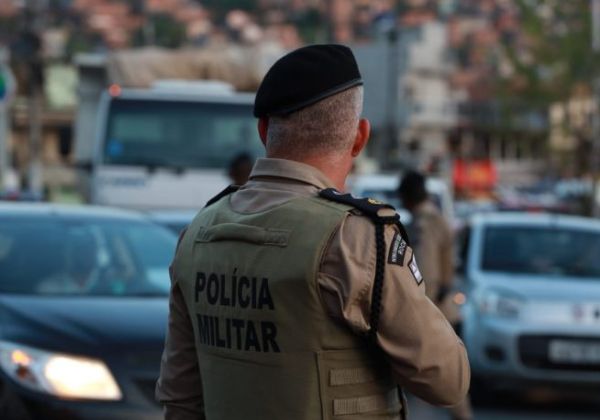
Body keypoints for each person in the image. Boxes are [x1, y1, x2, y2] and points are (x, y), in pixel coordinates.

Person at [156, 44, 470, 420]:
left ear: (263, 130)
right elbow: (447, 380)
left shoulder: (198, 234)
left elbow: (180, 399)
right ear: (359, 137)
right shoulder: (356, 239)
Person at [398, 170, 474, 420]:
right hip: (441, 310)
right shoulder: (433, 218)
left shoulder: (425, 223)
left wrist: (414, 312)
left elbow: (426, 273)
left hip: (432, 313)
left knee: (443, 383)